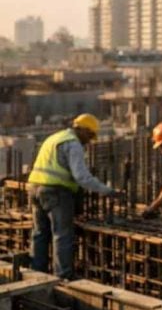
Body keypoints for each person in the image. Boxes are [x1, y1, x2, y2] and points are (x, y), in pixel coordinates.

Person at [27, 113, 118, 279]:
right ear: (82, 130)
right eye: (90, 136)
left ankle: (36, 274)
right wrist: (107, 191)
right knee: (62, 234)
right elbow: (82, 177)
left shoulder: (55, 137)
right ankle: (63, 276)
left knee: (39, 233)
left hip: (34, 189)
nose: (89, 141)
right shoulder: (73, 143)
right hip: (55, 192)